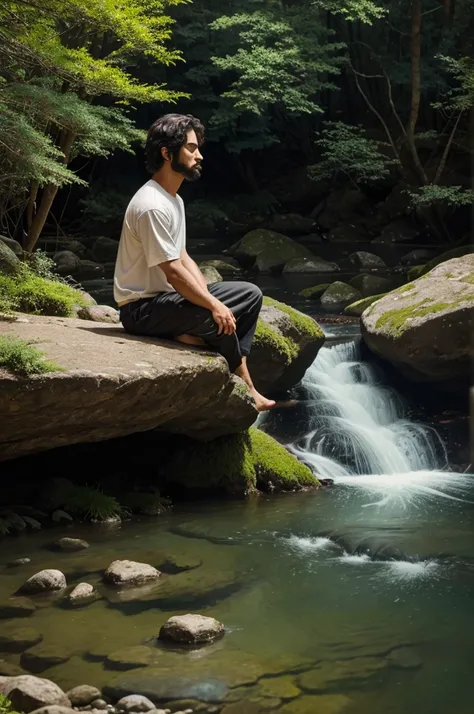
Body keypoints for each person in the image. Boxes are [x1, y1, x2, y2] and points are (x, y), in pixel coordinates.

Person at [114, 113, 275, 412]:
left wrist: (212, 299)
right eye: (191, 148)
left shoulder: (174, 199)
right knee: (216, 318)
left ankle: (189, 334)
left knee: (250, 295)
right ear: (166, 153)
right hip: (141, 310)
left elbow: (183, 257)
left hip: (168, 301)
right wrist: (213, 307)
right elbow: (173, 272)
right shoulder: (151, 205)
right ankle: (247, 384)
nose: (199, 155)